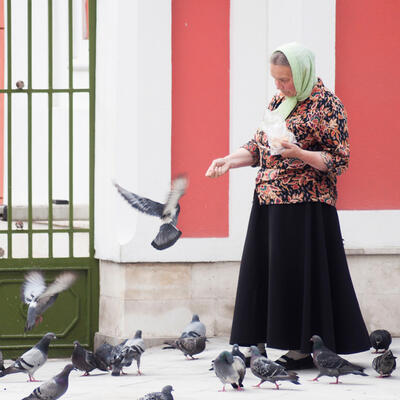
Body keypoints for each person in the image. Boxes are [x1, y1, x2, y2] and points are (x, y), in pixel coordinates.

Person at [205, 42, 370, 370]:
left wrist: (299, 154)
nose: (279, 86)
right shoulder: (280, 101)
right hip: (269, 201)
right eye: (276, 79)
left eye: (285, 80)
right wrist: (228, 160)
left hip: (306, 206)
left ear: (303, 72)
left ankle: (301, 347)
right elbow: (258, 146)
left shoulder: (327, 105)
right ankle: (261, 342)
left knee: (297, 275)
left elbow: (338, 160)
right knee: (266, 273)